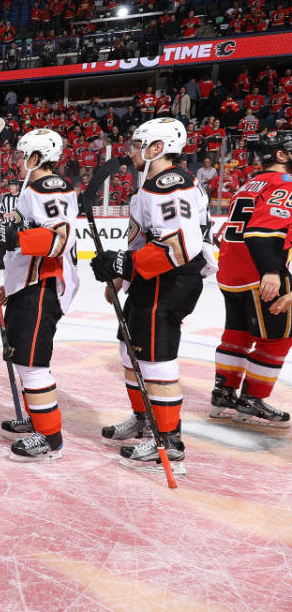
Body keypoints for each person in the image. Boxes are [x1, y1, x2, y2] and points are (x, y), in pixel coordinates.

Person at [91, 118, 209, 476]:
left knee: (157, 360)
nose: (131, 150)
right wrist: (119, 274)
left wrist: (125, 264)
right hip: (150, 277)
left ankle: (170, 443)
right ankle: (145, 419)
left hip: (170, 280)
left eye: (137, 143)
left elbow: (182, 245)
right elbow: (142, 241)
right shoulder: (149, 187)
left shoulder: (169, 184)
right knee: (130, 350)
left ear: (157, 148)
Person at [0, 129, 79, 461]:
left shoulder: (48, 188)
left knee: (32, 364)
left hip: (43, 287)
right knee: (23, 358)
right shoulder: (32, 190)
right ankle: (37, 421)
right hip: (30, 286)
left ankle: (49, 438)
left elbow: (57, 240)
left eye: (22, 156)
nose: (18, 163)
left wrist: (7, 235)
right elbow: (26, 235)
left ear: (36, 158)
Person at [210, 130, 292, 428]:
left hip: (230, 272)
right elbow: (262, 232)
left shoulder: (250, 182)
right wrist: (271, 270)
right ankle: (253, 401)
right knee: (277, 340)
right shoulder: (285, 184)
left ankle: (224, 394)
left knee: (237, 336)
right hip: (259, 273)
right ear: (281, 156)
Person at [0, 180, 21, 270]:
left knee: (16, 246)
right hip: (5, 224)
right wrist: (4, 213)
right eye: (10, 185)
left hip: (17, 225)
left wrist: (16, 213)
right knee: (1, 245)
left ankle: (15, 264)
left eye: (13, 185)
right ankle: (0, 264)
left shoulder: (22, 197)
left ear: (17, 186)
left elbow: (27, 210)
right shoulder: (4, 197)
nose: (10, 187)